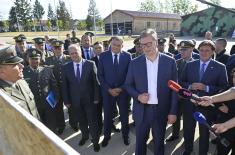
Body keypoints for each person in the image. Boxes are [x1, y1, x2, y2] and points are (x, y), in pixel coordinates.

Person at [125, 29, 178, 155]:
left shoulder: (170, 61)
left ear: (156, 42)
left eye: (149, 43)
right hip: (142, 110)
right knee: (140, 143)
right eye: (143, 45)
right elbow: (127, 85)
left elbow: (175, 89)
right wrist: (138, 96)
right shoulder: (134, 63)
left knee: (159, 143)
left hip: (161, 111)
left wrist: (173, 112)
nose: (146, 47)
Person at [181, 40, 228, 155]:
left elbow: (224, 88)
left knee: (204, 133)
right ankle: (188, 150)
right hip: (190, 104)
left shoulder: (220, 67)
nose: (204, 52)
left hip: (207, 107)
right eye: (201, 50)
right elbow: (181, 82)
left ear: (213, 52)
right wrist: (190, 86)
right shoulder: (190, 64)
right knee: (188, 130)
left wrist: (206, 88)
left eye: (207, 50)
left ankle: (203, 152)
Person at [62, 44, 100, 152]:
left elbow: (96, 83)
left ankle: (95, 140)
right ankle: (85, 136)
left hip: (90, 100)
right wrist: (66, 101)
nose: (74, 55)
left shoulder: (90, 64)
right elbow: (64, 86)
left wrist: (96, 97)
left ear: (81, 52)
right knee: (82, 121)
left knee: (92, 122)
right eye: (72, 53)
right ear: (69, 54)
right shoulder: (66, 67)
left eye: (76, 52)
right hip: (75, 102)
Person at [98, 36, 131, 147]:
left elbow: (129, 76)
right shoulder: (102, 56)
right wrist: (109, 89)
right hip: (108, 93)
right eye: (113, 45)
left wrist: (121, 88)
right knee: (107, 116)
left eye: (118, 45)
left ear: (122, 45)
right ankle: (106, 136)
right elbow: (100, 75)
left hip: (123, 92)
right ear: (110, 44)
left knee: (124, 116)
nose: (115, 47)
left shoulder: (127, 56)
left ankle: (125, 136)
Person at [23, 48, 58, 133]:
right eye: (32, 59)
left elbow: (54, 86)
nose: (35, 61)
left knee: (51, 125)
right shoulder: (24, 72)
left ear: (40, 59)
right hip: (34, 105)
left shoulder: (47, 70)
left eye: (37, 59)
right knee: (38, 126)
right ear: (28, 59)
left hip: (48, 104)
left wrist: (55, 99)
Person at [166, 40, 194, 142]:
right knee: (175, 116)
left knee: (188, 122)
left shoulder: (196, 64)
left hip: (189, 98)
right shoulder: (176, 62)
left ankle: (187, 143)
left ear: (191, 49)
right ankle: (175, 134)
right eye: (181, 49)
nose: (182, 52)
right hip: (176, 97)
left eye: (185, 50)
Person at [0, 45, 39, 119]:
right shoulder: (2, 96)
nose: (22, 66)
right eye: (15, 65)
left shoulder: (21, 81)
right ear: (1, 71)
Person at [45, 40, 71, 134]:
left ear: (63, 48)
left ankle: (73, 123)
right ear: (52, 49)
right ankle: (61, 125)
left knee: (71, 108)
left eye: (59, 47)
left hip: (68, 88)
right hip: (55, 89)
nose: (57, 50)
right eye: (55, 48)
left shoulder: (69, 58)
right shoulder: (48, 60)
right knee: (58, 109)